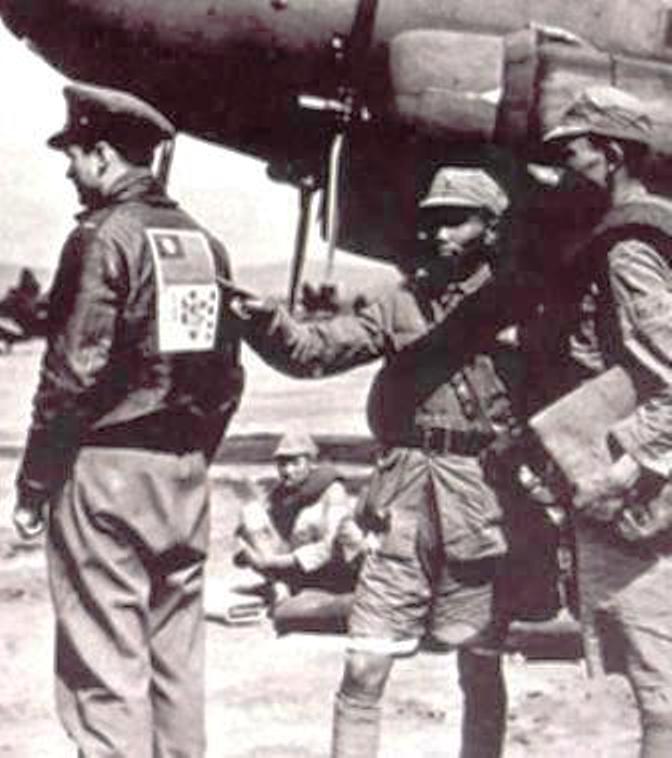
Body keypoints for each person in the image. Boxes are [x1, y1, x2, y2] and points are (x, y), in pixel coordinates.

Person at [229, 167, 513, 757]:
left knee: (479, 667)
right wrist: (268, 322)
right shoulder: (398, 302)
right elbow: (317, 351)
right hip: (400, 503)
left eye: (455, 220)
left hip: (478, 500)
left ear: (490, 227)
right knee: (363, 667)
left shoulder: (516, 301)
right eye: (432, 220)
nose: (439, 234)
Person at [11, 82, 244, 757]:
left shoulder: (101, 238)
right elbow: (228, 377)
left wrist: (35, 483)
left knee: (105, 673)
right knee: (177, 666)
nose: (69, 170)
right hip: (184, 479)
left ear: (105, 155)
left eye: (76, 155)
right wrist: (193, 456)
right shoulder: (205, 244)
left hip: (106, 474)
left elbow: (72, 375)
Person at [543, 84, 672, 758]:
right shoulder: (659, 226)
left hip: (647, 502)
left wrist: (623, 469)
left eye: (572, 155)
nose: (560, 171)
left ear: (614, 155)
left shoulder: (628, 248)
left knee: (661, 694)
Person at [234, 427, 366, 634]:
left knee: (292, 614)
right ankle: (281, 589)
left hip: (336, 572)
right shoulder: (280, 494)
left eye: (295, 463)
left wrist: (273, 562)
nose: (287, 471)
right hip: (296, 573)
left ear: (311, 463)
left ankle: (336, 606)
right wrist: (246, 551)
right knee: (251, 512)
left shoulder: (333, 491)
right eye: (282, 463)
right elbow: (258, 537)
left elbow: (330, 548)